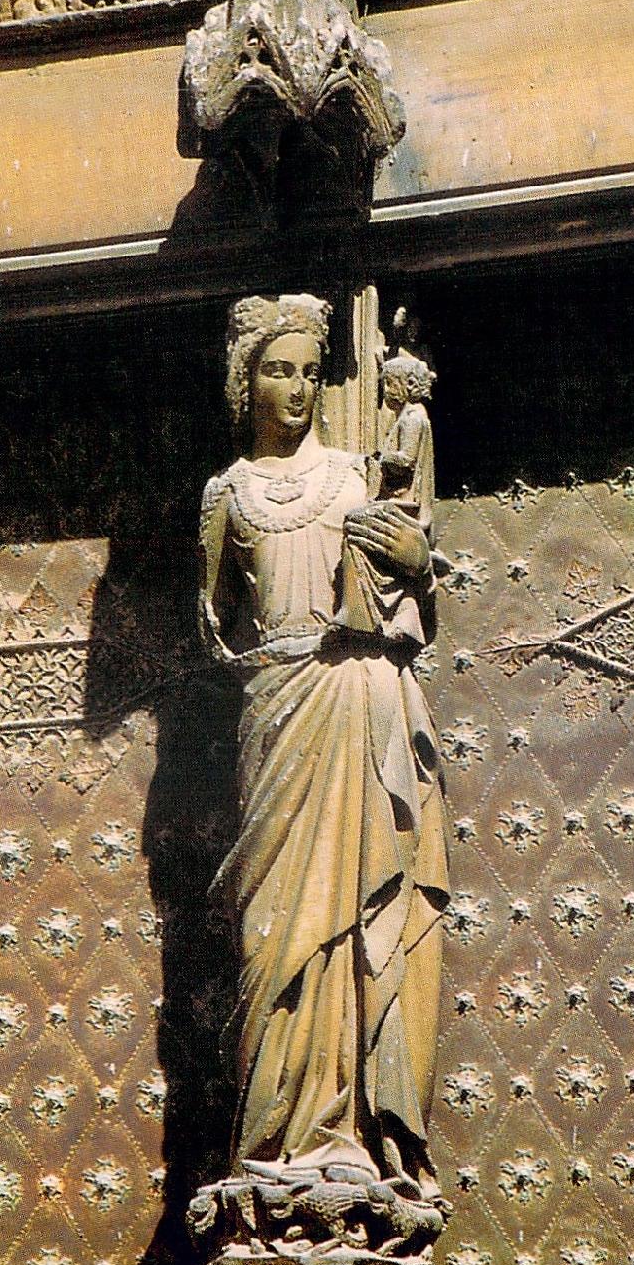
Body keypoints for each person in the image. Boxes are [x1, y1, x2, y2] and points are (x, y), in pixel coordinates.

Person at [199, 294, 449, 1198]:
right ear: (247, 381)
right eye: (277, 370)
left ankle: (349, 1126)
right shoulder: (226, 496)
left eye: (310, 370)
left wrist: (414, 560)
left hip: (354, 696)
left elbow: (412, 569)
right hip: (277, 713)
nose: (296, 389)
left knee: (354, 909)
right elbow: (216, 629)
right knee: (274, 936)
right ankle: (278, 1136)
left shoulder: (352, 475)